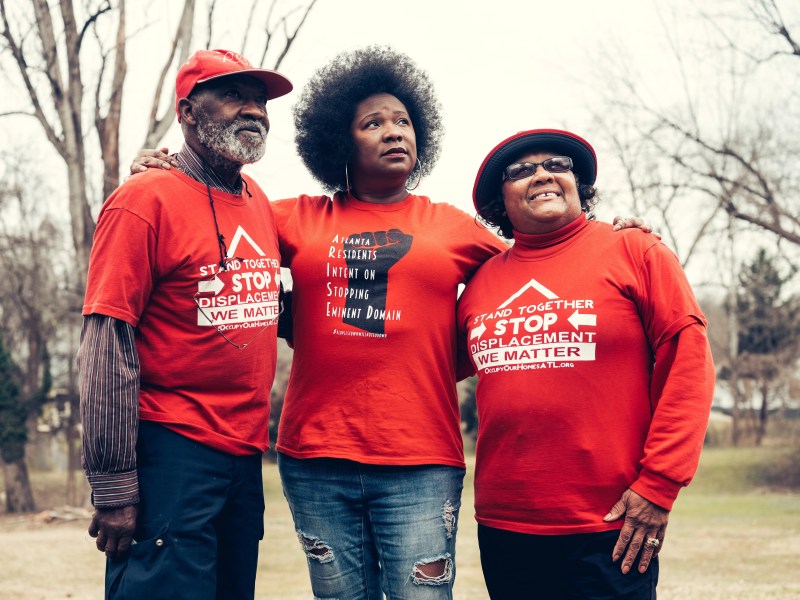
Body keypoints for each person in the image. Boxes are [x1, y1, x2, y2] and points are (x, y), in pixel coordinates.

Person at [131, 48, 653, 599]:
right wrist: (167, 171)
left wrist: (606, 234)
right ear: (340, 141)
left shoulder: (452, 227)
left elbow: (539, 264)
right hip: (316, 460)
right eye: (373, 123)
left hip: (421, 462)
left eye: (403, 121)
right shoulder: (287, 217)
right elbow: (216, 211)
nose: (394, 132)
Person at [458, 128, 716, 599]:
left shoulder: (635, 250)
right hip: (505, 526)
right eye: (521, 170)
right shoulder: (481, 283)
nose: (542, 175)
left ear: (579, 185)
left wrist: (659, 485)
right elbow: (425, 363)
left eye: (557, 165)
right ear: (500, 202)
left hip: (612, 523)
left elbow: (689, 366)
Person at [78, 49, 292, 599]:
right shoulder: (143, 200)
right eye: (234, 95)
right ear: (188, 112)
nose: (255, 109)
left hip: (244, 456)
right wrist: (114, 485)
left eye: (260, 100)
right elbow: (106, 344)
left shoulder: (259, 202)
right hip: (170, 451)